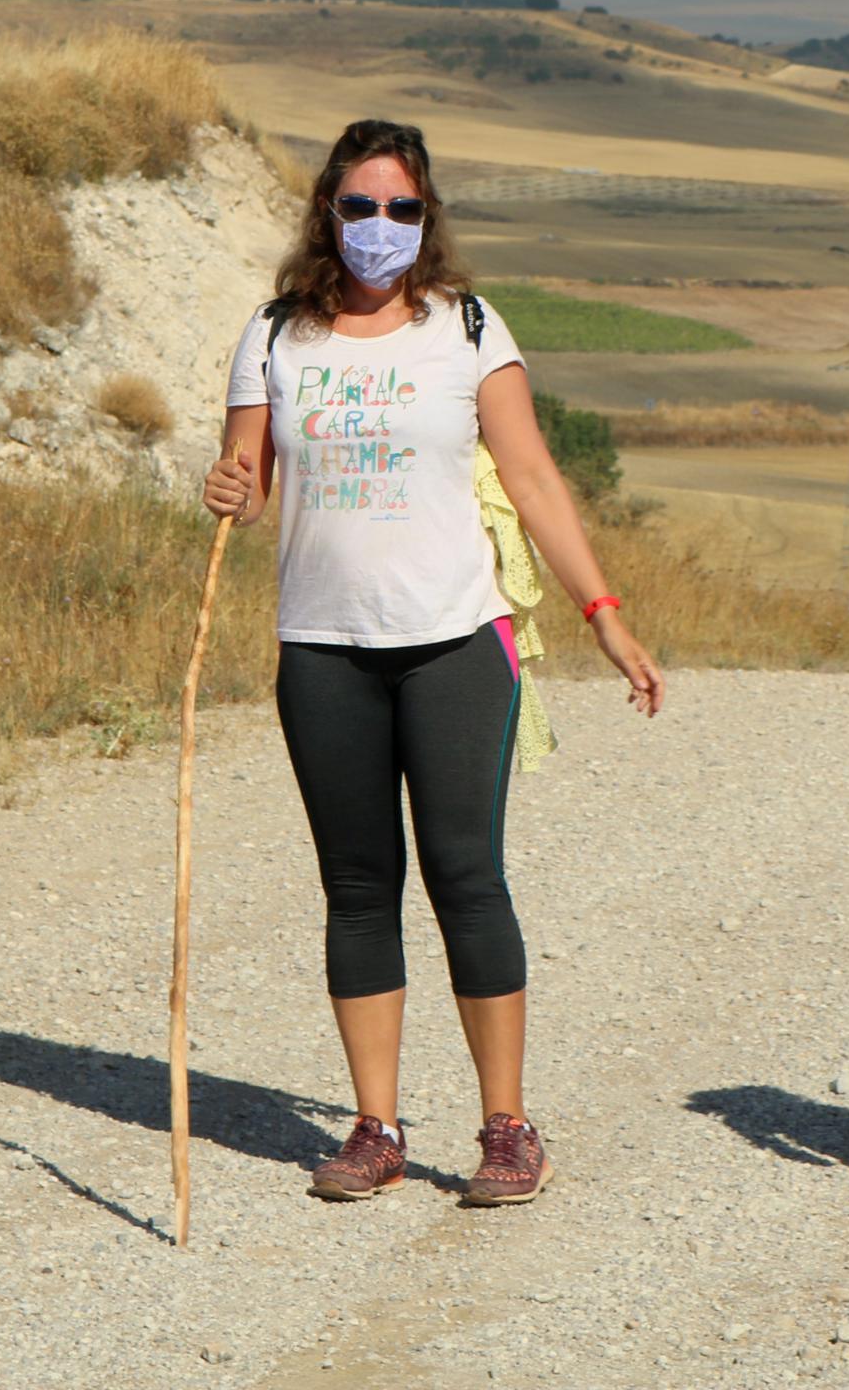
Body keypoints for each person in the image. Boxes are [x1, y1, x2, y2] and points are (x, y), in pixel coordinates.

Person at [203, 118, 664, 1209]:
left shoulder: (467, 327)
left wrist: (605, 612)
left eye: (402, 207)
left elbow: (536, 477)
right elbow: (244, 478)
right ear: (328, 211)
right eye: (360, 205)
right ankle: (376, 1126)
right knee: (357, 886)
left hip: (457, 643)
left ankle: (508, 1128)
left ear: (428, 217)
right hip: (324, 648)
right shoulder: (274, 334)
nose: (379, 226)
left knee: (466, 874)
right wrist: (226, 489)